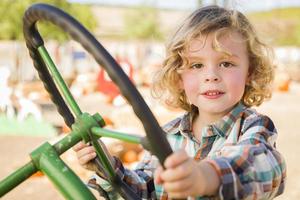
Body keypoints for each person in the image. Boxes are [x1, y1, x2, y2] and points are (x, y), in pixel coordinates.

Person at [73, 5, 286, 199]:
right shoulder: (167, 135)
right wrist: (107, 167)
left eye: (226, 63)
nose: (211, 76)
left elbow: (263, 167)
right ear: (178, 77)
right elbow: (144, 189)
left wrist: (205, 178)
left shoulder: (254, 127)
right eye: (196, 66)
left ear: (249, 71)